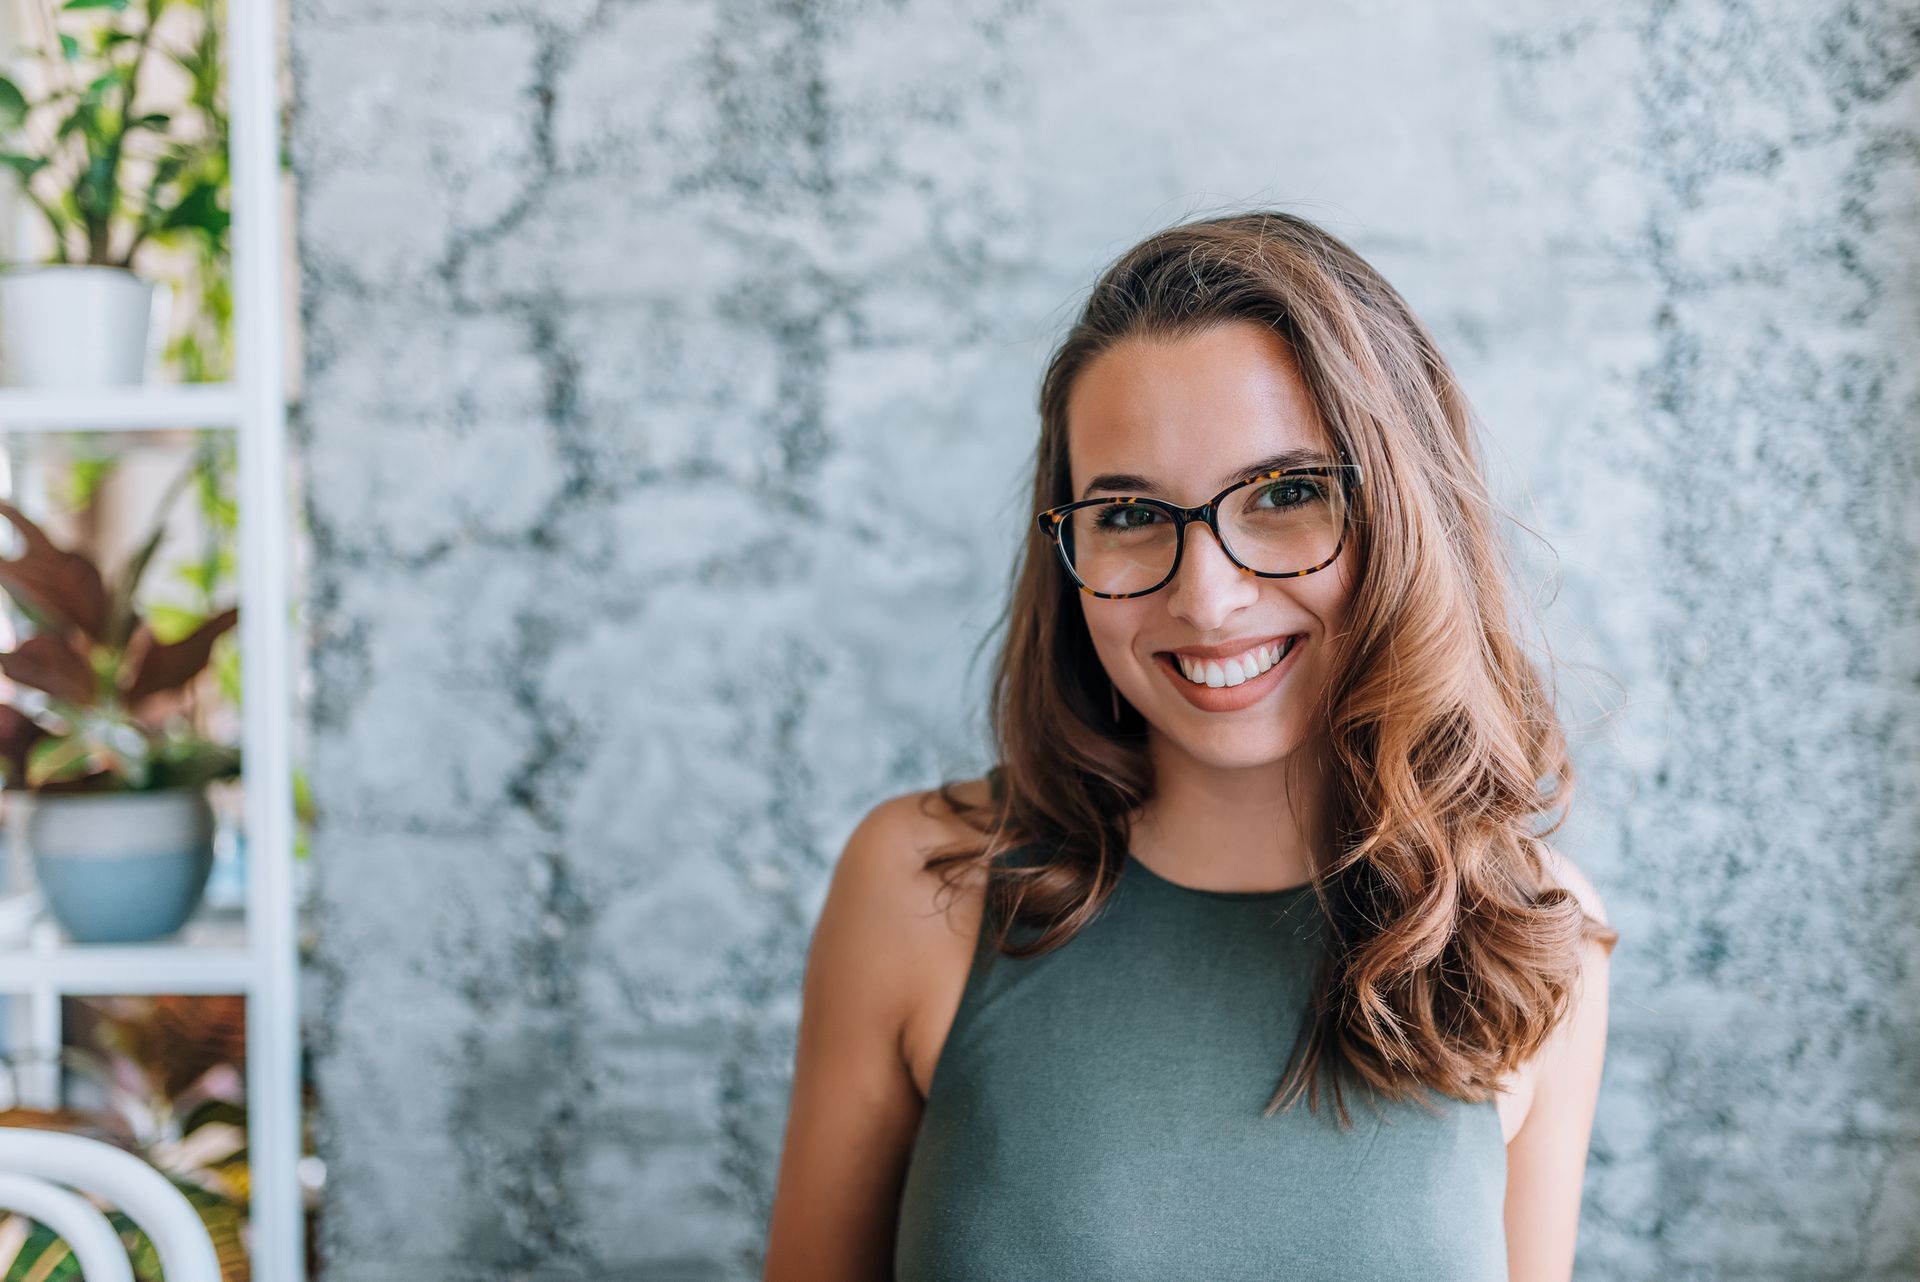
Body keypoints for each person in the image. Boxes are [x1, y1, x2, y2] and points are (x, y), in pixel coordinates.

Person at [761, 209, 1619, 1282]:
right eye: (1127, 513)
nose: (1206, 600)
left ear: (1404, 512)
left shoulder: (1536, 937)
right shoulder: (918, 883)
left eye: (1288, 494)